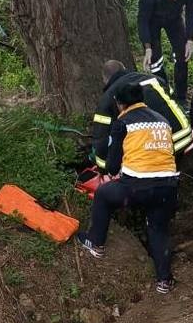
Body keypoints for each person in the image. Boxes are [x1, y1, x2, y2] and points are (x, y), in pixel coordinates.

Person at [77, 81, 180, 294]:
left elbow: (113, 165)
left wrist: (104, 169)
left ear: (119, 103)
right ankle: (164, 280)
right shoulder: (162, 120)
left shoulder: (123, 122)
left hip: (137, 187)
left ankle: (95, 243)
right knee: (158, 229)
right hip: (168, 187)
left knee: (104, 194)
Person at [92, 60, 191, 171]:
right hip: (184, 136)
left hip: (156, 150)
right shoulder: (154, 79)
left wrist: (104, 167)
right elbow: (174, 102)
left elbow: (101, 138)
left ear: (105, 80)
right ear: (124, 69)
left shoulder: (107, 99)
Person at [138, 0, 193, 106]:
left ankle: (181, 97)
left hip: (174, 19)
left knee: (182, 55)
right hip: (153, 21)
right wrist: (147, 46)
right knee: (155, 59)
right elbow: (143, 20)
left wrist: (190, 39)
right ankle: (164, 92)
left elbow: (192, 12)